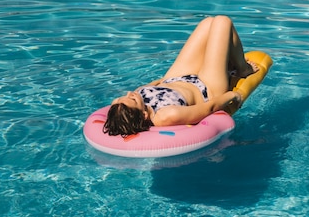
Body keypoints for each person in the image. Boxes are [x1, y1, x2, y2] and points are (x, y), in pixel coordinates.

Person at [104, 15, 258, 137]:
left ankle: (225, 59)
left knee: (208, 23)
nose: (130, 93)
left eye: (122, 97)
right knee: (222, 22)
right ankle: (243, 68)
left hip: (175, 78)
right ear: (144, 115)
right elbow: (209, 108)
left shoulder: (125, 105)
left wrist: (158, 84)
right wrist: (234, 96)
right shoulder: (165, 116)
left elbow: (155, 84)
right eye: (132, 99)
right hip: (206, 87)